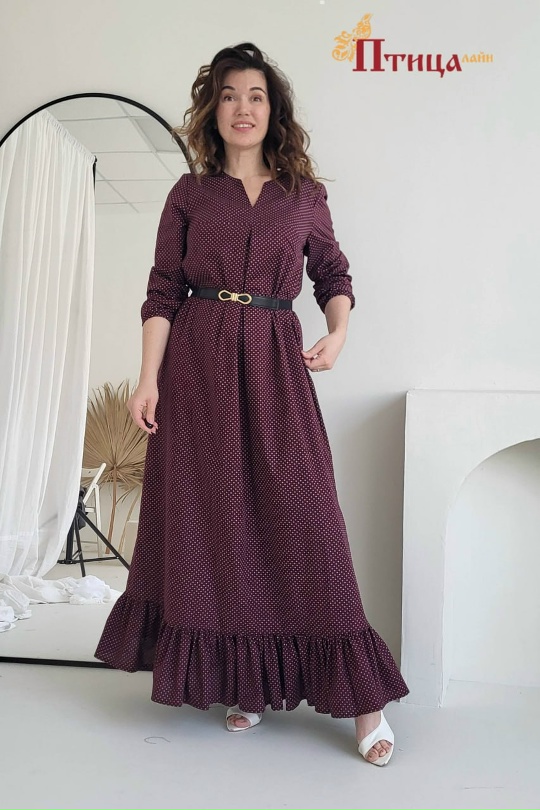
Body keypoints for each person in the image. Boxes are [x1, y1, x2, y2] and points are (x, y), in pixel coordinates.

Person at [94, 42, 409, 766]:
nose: (243, 107)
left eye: (256, 95)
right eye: (230, 94)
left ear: (274, 110)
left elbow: (332, 270)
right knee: (218, 527)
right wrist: (147, 379)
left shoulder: (303, 195)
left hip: (274, 361)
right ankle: (248, 683)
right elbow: (162, 290)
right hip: (196, 367)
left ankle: (366, 704)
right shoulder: (189, 193)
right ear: (214, 109)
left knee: (308, 520)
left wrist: (339, 331)